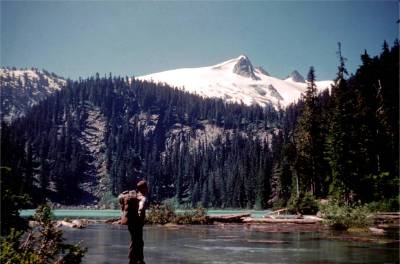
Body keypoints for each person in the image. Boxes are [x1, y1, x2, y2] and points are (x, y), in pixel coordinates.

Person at [120, 180, 148, 264]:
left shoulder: (134, 195)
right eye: (146, 187)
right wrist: (140, 211)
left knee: (137, 241)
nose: (147, 189)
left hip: (131, 223)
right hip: (137, 223)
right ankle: (133, 261)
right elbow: (141, 205)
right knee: (137, 242)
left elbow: (121, 200)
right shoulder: (142, 197)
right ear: (143, 188)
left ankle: (139, 260)